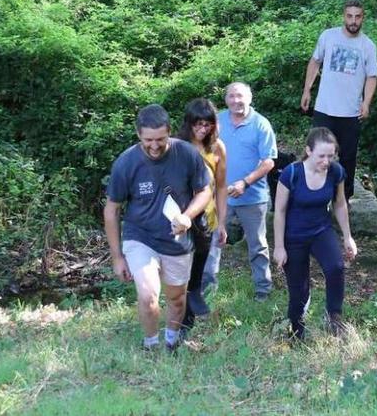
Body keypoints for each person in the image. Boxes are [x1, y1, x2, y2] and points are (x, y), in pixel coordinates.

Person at [104, 104, 211, 351]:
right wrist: (117, 257)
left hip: (177, 240)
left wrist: (187, 216)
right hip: (140, 237)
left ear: (170, 132)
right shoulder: (126, 162)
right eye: (148, 140)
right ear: (138, 134)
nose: (154, 146)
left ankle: (171, 342)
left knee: (176, 298)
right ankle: (150, 345)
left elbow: (204, 191)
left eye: (160, 139)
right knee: (148, 294)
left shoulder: (186, 154)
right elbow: (112, 210)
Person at [273, 127, 357, 339]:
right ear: (308, 151)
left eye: (331, 155)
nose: (326, 161)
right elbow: (280, 212)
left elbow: (339, 204)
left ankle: (334, 318)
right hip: (294, 236)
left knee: (336, 267)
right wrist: (279, 247)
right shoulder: (291, 174)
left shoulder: (336, 172)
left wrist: (348, 237)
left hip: (321, 230)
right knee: (298, 292)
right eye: (322, 156)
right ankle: (296, 331)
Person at [300, 0, 377, 201]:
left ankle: (343, 198)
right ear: (344, 16)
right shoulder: (328, 36)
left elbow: (372, 76)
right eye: (350, 16)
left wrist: (366, 103)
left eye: (357, 16)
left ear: (363, 18)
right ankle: (313, 192)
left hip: (350, 112)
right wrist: (307, 90)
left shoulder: (368, 46)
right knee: (316, 151)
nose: (353, 20)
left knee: (347, 158)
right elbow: (315, 61)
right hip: (324, 109)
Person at [218, 82, 278, 301]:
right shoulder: (218, 120)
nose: (236, 100)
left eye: (240, 96)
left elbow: (269, 162)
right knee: (213, 241)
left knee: (258, 245)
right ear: (226, 99)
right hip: (220, 195)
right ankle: (206, 290)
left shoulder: (261, 124)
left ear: (250, 98)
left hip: (252, 197)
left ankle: (263, 291)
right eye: (232, 96)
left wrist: (245, 182)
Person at [176, 98, 228, 331]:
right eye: (198, 124)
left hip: (207, 219)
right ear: (189, 123)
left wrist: (223, 223)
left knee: (199, 271)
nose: (202, 129)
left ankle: (190, 320)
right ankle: (180, 323)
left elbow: (221, 186)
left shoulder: (217, 148)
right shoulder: (176, 145)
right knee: (180, 273)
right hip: (180, 218)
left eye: (207, 125)